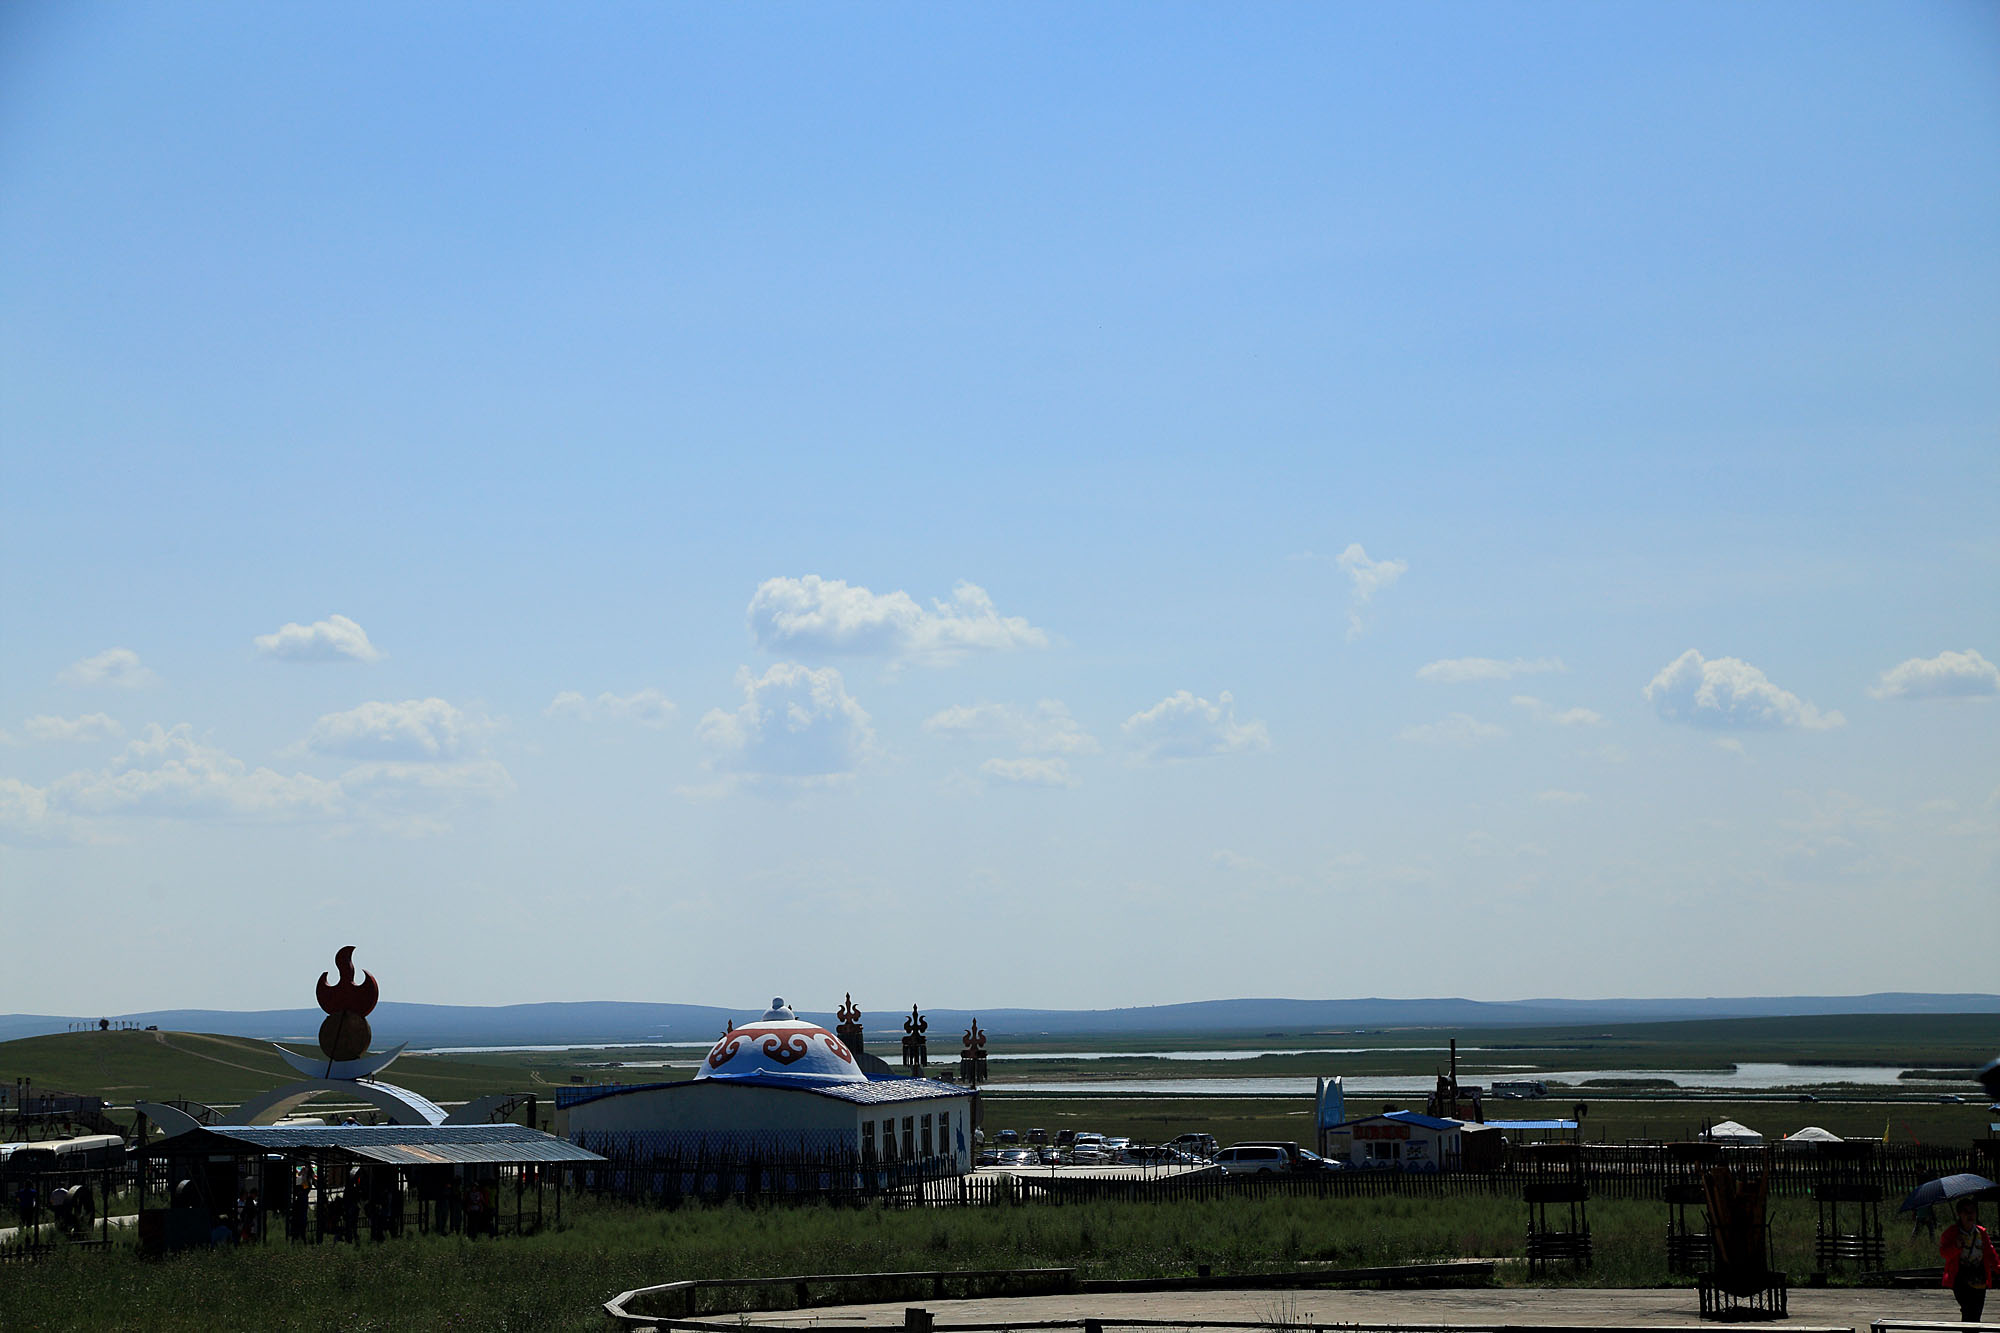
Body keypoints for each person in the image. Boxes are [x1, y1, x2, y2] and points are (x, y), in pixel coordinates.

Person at [1940, 1198, 2000, 1323]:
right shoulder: (1951, 1233)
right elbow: (1944, 1253)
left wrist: (1998, 1268)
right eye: (1966, 1211)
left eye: (1972, 1211)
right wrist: (1956, 1246)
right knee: (1968, 1310)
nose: (1970, 1215)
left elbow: (1990, 1254)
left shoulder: (1981, 1232)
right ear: (1959, 1214)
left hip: (1980, 1278)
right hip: (1961, 1278)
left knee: (1976, 1313)